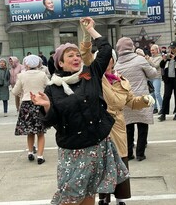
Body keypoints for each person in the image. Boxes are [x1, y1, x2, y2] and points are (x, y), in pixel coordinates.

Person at [31, 17, 129, 205]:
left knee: (89, 192)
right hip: (73, 149)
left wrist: (91, 30)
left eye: (77, 54)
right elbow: (49, 121)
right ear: (60, 63)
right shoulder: (53, 88)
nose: (76, 58)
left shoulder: (88, 75)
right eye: (70, 56)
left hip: (97, 143)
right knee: (70, 195)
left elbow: (106, 50)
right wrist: (47, 107)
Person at [80, 38, 155, 205]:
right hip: (100, 126)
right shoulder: (94, 77)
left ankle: (121, 199)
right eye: (104, 58)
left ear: (114, 60)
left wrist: (144, 100)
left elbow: (131, 102)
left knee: (120, 162)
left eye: (110, 58)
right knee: (102, 163)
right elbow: (86, 55)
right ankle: (103, 198)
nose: (107, 61)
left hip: (119, 125)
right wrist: (87, 34)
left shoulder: (122, 79)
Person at [114, 37, 157, 161]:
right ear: (131, 46)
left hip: (126, 99)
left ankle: (128, 153)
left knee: (128, 127)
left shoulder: (117, 64)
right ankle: (140, 153)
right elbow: (153, 74)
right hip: (141, 97)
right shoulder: (140, 60)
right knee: (142, 126)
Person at [12, 55, 49, 164]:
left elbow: (14, 91)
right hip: (39, 103)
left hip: (26, 104)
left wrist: (23, 92)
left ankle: (30, 152)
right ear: (38, 64)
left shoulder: (22, 76)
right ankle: (40, 156)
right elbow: (49, 86)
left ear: (26, 64)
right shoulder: (42, 74)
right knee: (40, 132)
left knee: (30, 131)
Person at [158, 41, 176, 121]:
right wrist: (164, 60)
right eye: (171, 48)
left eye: (173, 48)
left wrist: (175, 57)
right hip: (169, 79)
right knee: (166, 96)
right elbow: (161, 66)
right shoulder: (168, 56)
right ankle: (163, 114)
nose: (172, 49)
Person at [146, 44, 163, 114]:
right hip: (150, 77)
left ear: (157, 50)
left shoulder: (160, 58)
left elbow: (155, 66)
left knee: (157, 93)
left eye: (153, 50)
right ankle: (154, 108)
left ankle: (162, 108)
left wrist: (149, 60)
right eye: (151, 50)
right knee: (152, 94)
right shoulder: (150, 58)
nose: (152, 51)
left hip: (157, 77)